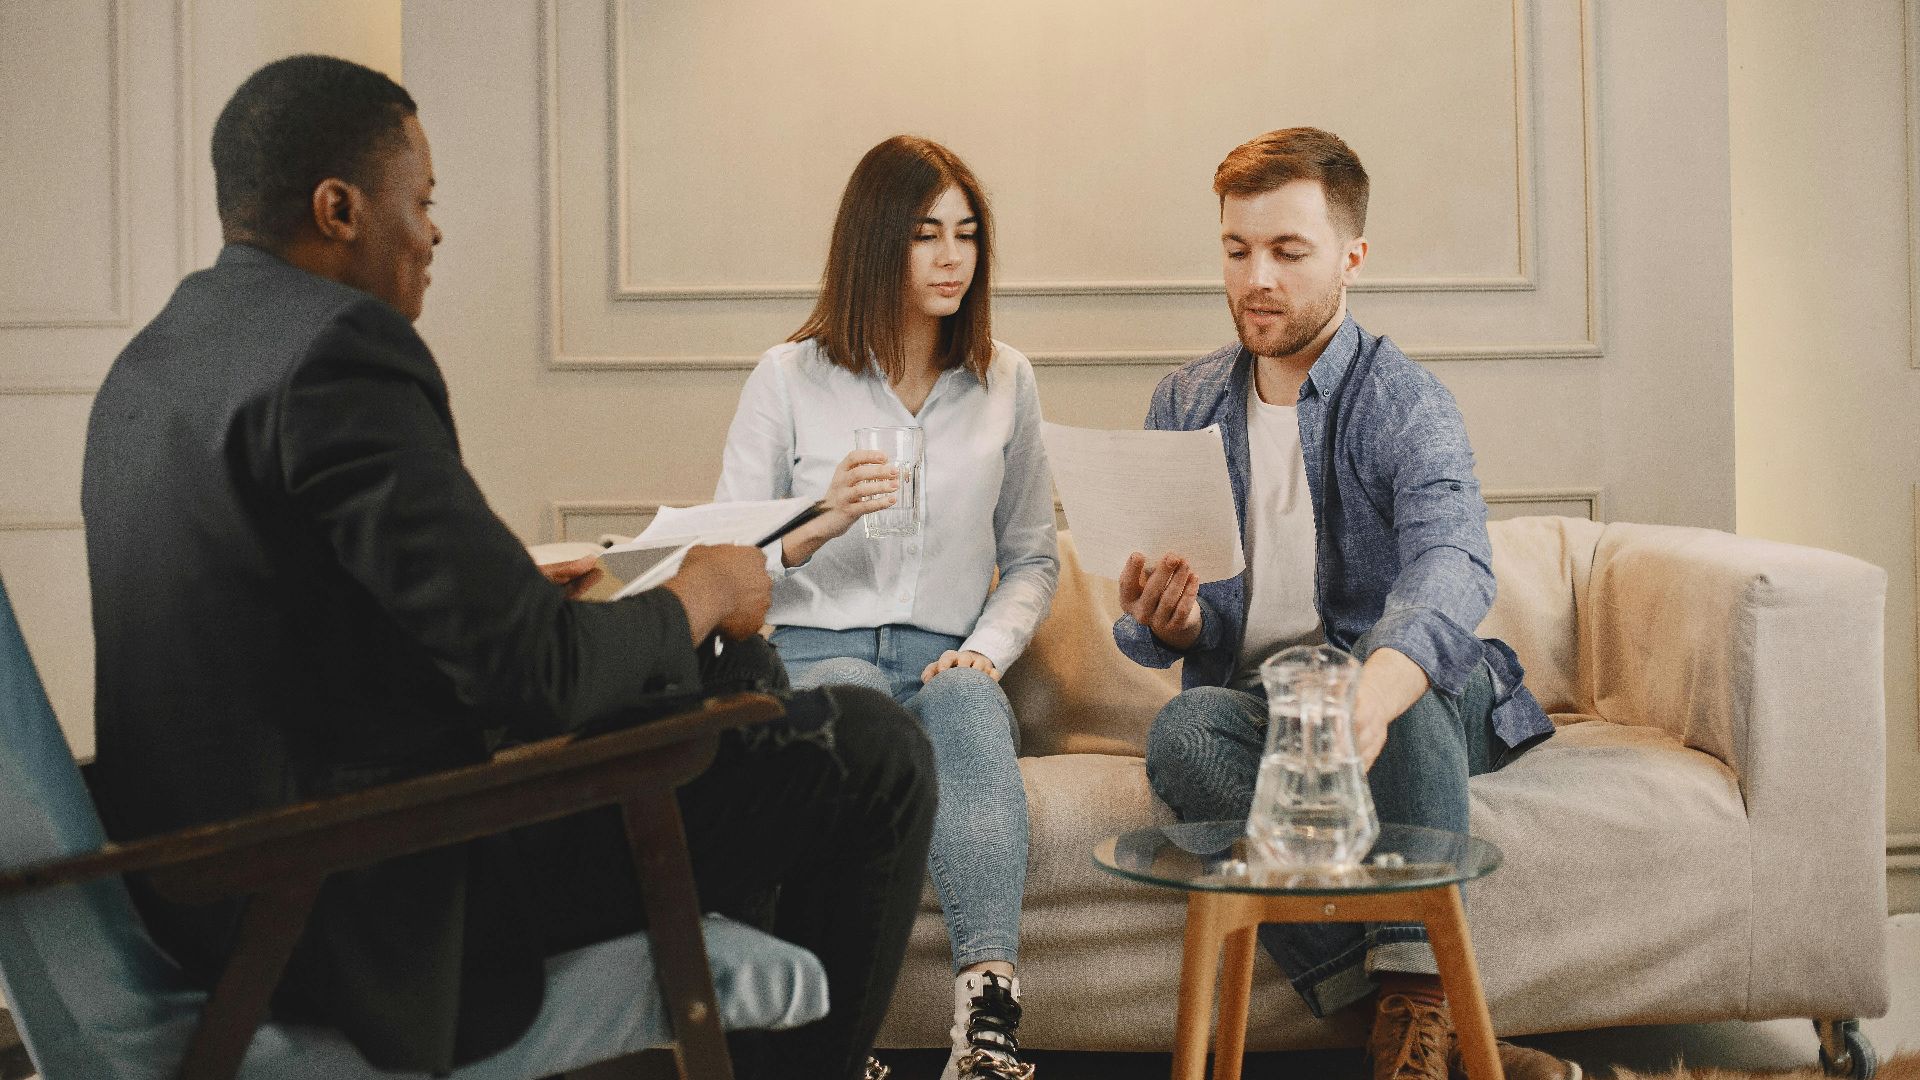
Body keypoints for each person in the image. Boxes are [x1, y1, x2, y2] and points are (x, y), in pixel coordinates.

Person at [82, 54, 933, 1080]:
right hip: (350, 903)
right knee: (868, 749)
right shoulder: (338, 351)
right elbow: (542, 678)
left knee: (724, 696)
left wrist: (531, 605)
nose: (434, 233)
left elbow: (285, 633)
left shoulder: (159, 357)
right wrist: (706, 585)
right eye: (422, 201)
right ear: (340, 208)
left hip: (214, 888)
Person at [1115, 128, 1580, 1080]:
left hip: (1414, 703)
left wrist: (1372, 690)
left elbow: (1453, 563)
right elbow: (1174, 618)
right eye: (1238, 251)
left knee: (1389, 683)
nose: (1258, 279)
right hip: (1271, 711)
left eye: (1289, 252)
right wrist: (1177, 623)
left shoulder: (1406, 402)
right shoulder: (1186, 400)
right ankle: (1404, 1015)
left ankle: (1416, 1009)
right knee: (1184, 734)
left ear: (1352, 258)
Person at [715, 135, 1058, 1080]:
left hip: (944, 648)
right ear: (875, 244)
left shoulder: (1006, 380)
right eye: (925, 235)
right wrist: (815, 525)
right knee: (856, 700)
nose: (953, 257)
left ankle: (988, 1024)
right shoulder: (787, 377)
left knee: (966, 704)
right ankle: (833, 1042)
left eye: (967, 234)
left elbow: (1033, 555)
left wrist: (984, 650)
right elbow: (725, 561)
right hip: (817, 647)